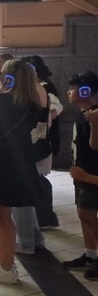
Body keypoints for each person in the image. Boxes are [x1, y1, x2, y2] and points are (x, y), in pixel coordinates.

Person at [0, 59, 47, 284]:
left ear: (9, 78)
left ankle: (5, 266)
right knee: (4, 216)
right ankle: (6, 264)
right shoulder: (32, 103)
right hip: (17, 165)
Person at [62, 71, 98, 279]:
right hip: (82, 173)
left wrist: (94, 122)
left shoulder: (94, 114)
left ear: (86, 91)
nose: (69, 92)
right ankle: (91, 254)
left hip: (91, 174)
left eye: (72, 88)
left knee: (90, 215)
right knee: (84, 214)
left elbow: (95, 146)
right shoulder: (83, 113)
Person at [20, 54, 62, 230]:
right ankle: (43, 217)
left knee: (38, 179)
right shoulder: (37, 88)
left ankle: (45, 217)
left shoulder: (44, 88)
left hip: (41, 140)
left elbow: (52, 113)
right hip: (39, 140)